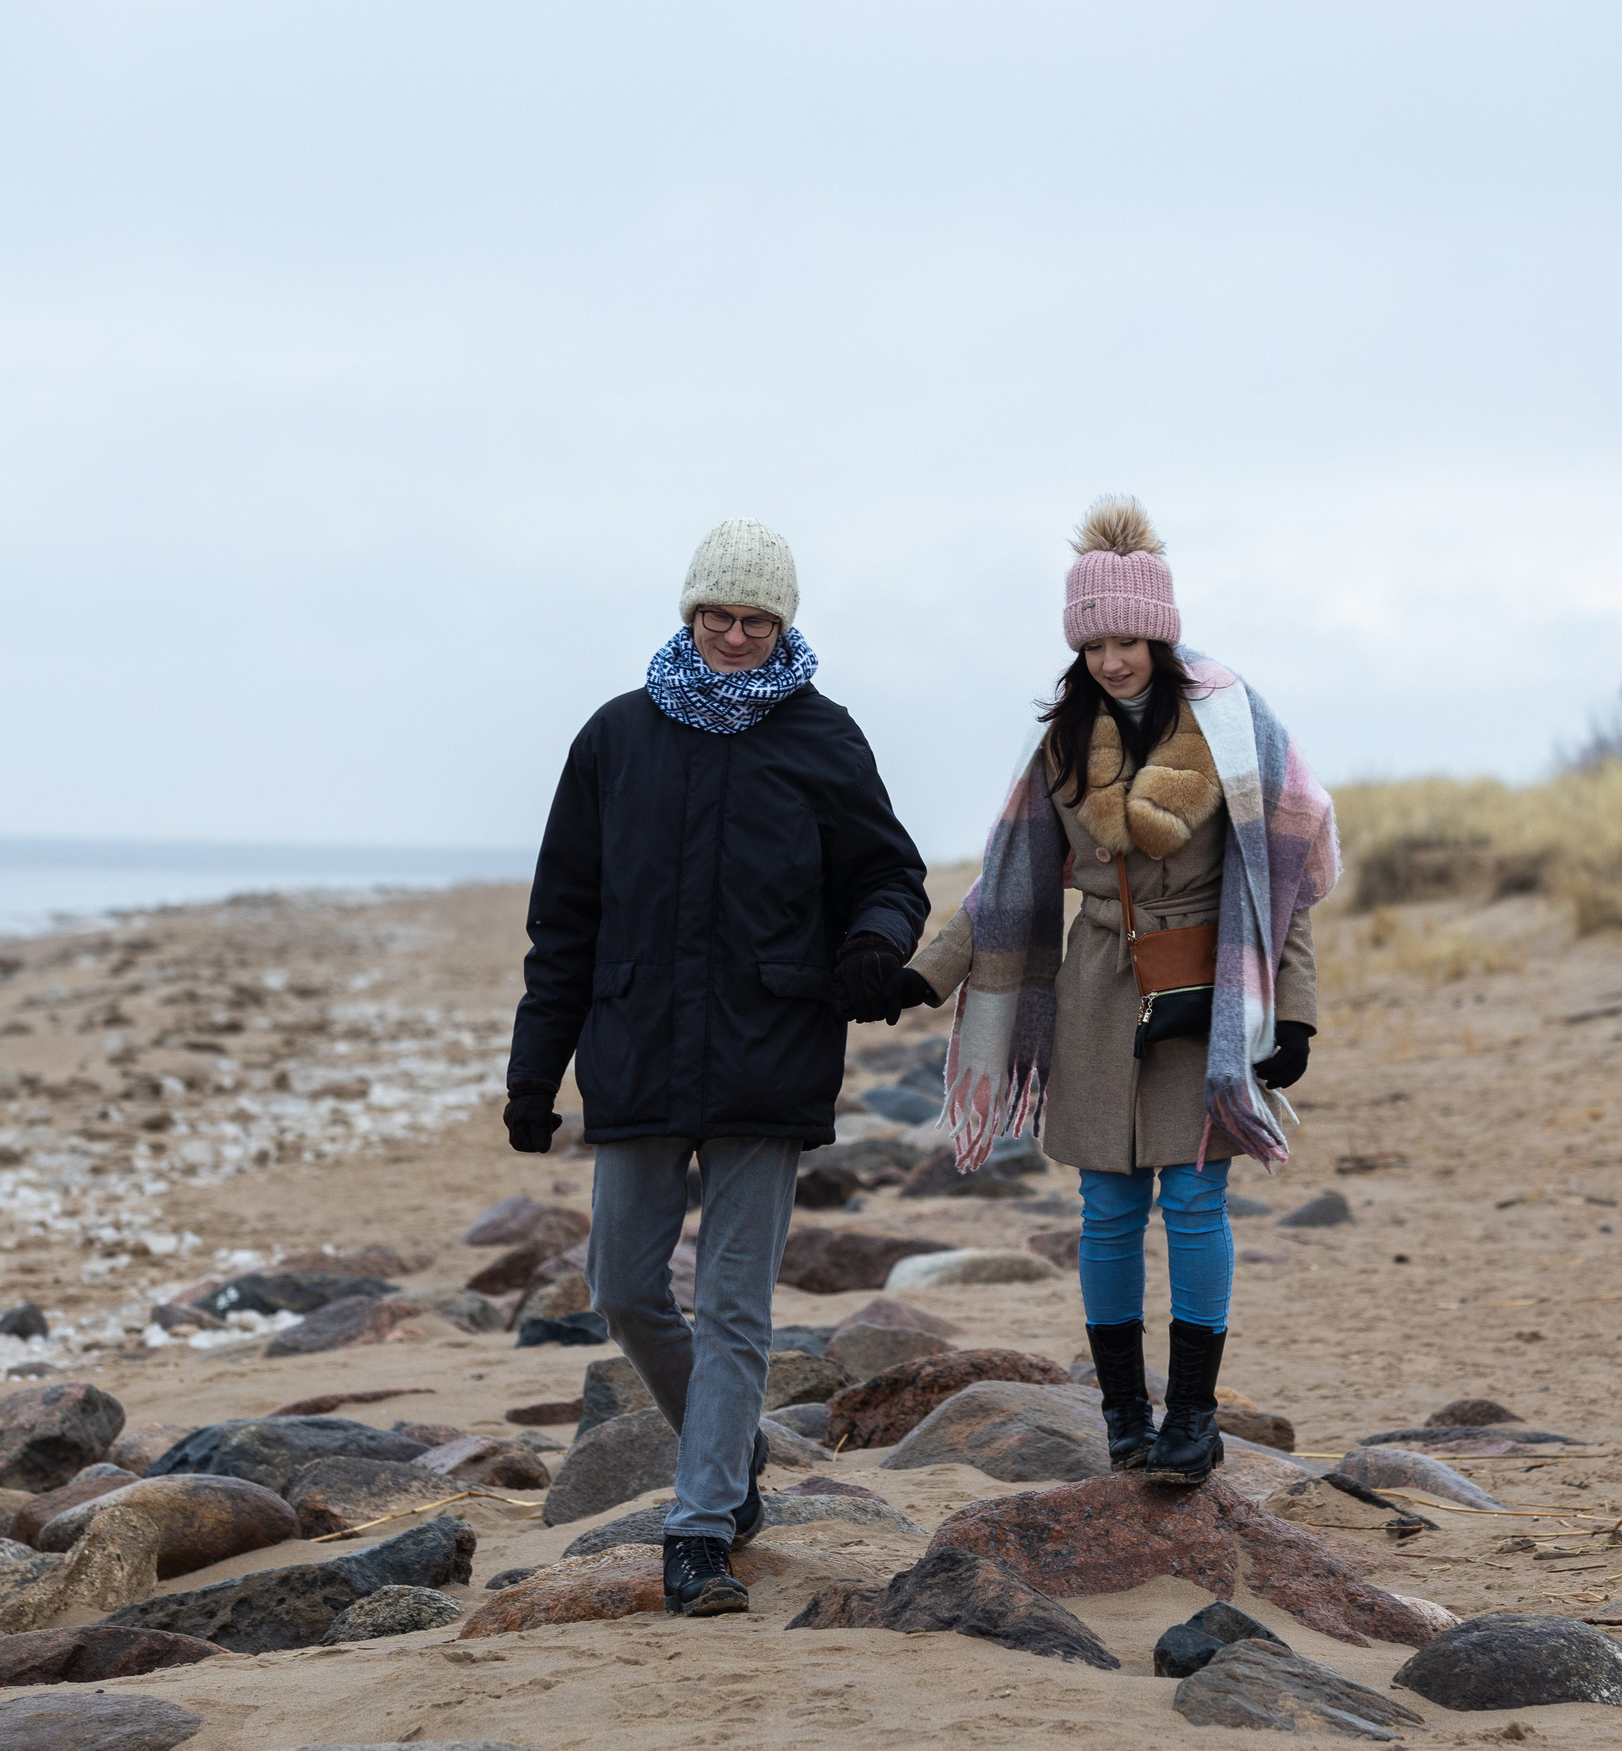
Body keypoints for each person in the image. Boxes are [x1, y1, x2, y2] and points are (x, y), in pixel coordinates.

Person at [502, 518, 928, 1617]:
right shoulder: (615, 738)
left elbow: (889, 875)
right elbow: (565, 918)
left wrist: (873, 942)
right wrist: (533, 1071)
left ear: (783, 625)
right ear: (688, 612)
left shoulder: (822, 736)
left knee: (736, 1306)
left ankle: (699, 1532)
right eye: (718, 615)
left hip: (771, 1050)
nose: (736, 636)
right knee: (622, 1287)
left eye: (757, 620)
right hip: (636, 1047)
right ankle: (729, 1451)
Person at [883, 497, 1338, 1487]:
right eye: (1093, 644)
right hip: (1095, 991)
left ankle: (1193, 1418)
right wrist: (926, 971)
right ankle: (1125, 1417)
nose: (1112, 660)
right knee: (1105, 1207)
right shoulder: (1059, 742)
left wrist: (1294, 1011)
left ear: (1160, 636)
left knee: (1196, 1198)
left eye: (1127, 640)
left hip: (1209, 986)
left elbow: (1283, 878)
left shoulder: (1235, 727)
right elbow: (1007, 881)